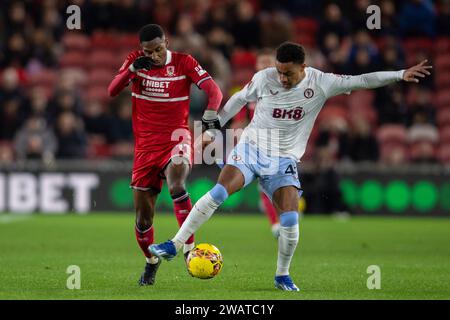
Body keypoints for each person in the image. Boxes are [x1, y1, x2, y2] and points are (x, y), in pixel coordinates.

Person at [149, 42, 432, 291]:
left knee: (290, 220)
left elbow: (363, 80)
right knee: (220, 192)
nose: (282, 77)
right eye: (279, 71)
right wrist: (213, 127)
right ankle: (175, 244)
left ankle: (282, 275)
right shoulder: (265, 78)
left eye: (288, 73)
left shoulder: (322, 82)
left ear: (303, 67)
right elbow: (238, 99)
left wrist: (400, 74)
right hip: (251, 148)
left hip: (284, 159)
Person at [107, 24, 223, 286]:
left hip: (177, 139)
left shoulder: (184, 62)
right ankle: (151, 262)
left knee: (178, 184)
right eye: (149, 51)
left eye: (159, 49)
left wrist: (210, 112)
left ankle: (187, 249)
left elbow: (214, 90)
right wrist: (133, 70)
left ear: (166, 42)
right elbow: (112, 91)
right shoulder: (135, 62)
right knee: (143, 218)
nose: (155, 55)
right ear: (142, 49)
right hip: (145, 149)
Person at [229, 48, 281, 237]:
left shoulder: (285, 88)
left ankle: (285, 215)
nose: (265, 66)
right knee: (265, 183)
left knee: (279, 185)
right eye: (262, 62)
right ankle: (276, 224)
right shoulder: (250, 89)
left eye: (269, 62)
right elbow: (240, 119)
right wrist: (239, 131)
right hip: (257, 144)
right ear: (256, 65)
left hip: (280, 143)